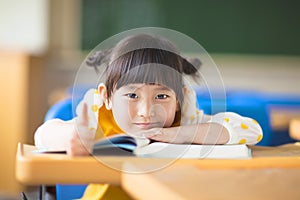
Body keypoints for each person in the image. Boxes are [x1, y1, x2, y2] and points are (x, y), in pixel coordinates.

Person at [34, 33, 263, 199]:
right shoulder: (98, 121)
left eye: (161, 97)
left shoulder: (186, 121)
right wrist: (73, 136)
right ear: (107, 97)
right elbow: (42, 135)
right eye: (132, 95)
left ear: (179, 99)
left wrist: (183, 134)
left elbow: (251, 130)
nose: (146, 111)